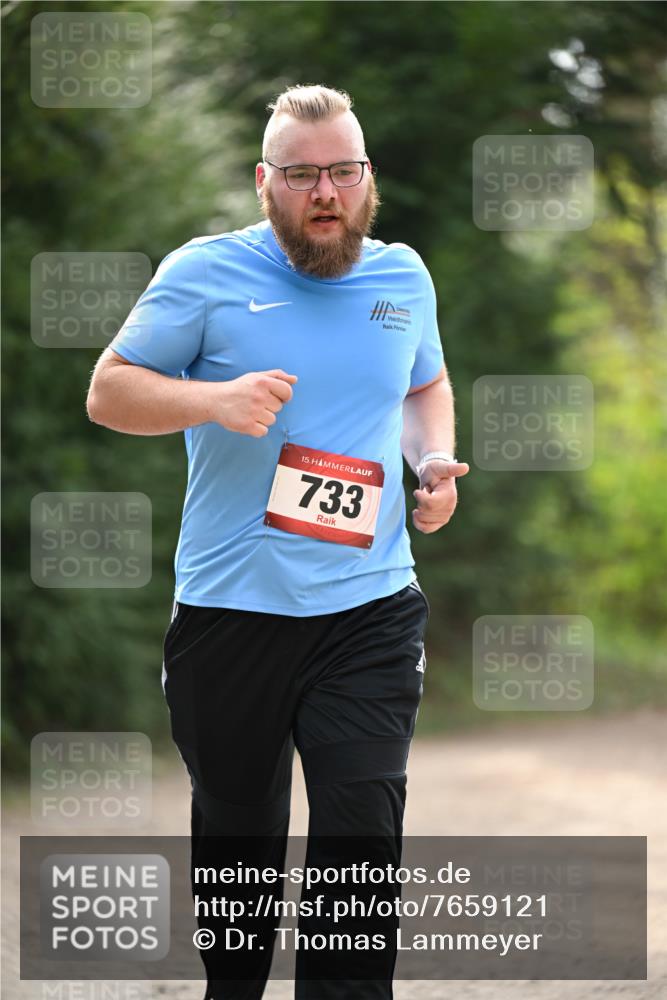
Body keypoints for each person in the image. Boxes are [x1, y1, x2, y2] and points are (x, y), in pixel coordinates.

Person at [87, 84, 469, 1000]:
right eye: (302, 176)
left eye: (343, 171)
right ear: (266, 183)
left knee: (359, 839)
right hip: (231, 617)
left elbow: (423, 388)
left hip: (369, 609)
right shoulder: (204, 273)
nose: (326, 191)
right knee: (239, 840)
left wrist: (435, 462)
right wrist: (211, 400)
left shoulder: (401, 277)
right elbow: (109, 391)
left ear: (367, 177)